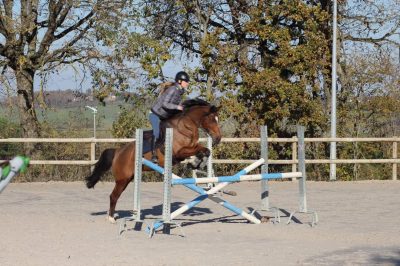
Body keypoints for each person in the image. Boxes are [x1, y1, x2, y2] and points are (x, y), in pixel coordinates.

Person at [149, 71, 190, 163]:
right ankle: (153, 155)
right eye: (186, 81)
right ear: (180, 81)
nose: (188, 83)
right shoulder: (173, 89)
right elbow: (165, 104)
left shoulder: (180, 91)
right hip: (155, 114)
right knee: (157, 133)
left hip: (165, 116)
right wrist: (177, 107)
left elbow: (175, 104)